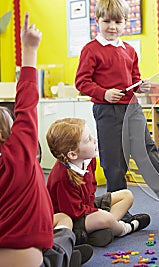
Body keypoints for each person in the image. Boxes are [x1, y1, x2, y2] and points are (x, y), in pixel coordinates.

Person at [74, 0, 159, 212]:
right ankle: (119, 208)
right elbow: (81, 82)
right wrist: (104, 93)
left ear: (125, 22)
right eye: (106, 21)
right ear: (97, 21)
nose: (112, 26)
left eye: (117, 21)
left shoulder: (129, 50)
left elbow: (134, 78)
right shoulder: (91, 50)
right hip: (107, 111)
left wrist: (140, 86)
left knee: (146, 150)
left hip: (132, 108)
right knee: (114, 160)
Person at [0, 13, 91, 267]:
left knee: (60, 219)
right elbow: (26, 100)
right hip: (30, 258)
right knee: (63, 229)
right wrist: (29, 50)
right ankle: (60, 256)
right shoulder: (19, 155)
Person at [46, 118, 151, 247]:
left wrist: (96, 209)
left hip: (86, 206)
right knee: (105, 218)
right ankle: (125, 228)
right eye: (88, 140)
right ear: (73, 154)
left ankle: (105, 229)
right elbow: (73, 212)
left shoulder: (89, 160)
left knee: (127, 195)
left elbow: (92, 188)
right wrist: (98, 213)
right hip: (74, 217)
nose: (95, 140)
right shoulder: (62, 178)